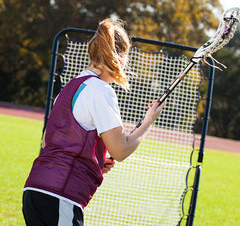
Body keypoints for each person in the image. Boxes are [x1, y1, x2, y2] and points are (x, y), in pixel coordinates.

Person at [22, 18, 166, 226]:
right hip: (60, 196)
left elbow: (48, 141)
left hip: (35, 192)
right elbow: (120, 151)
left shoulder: (71, 86)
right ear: (120, 56)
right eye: (127, 57)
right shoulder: (101, 91)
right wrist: (148, 121)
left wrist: (93, 159)